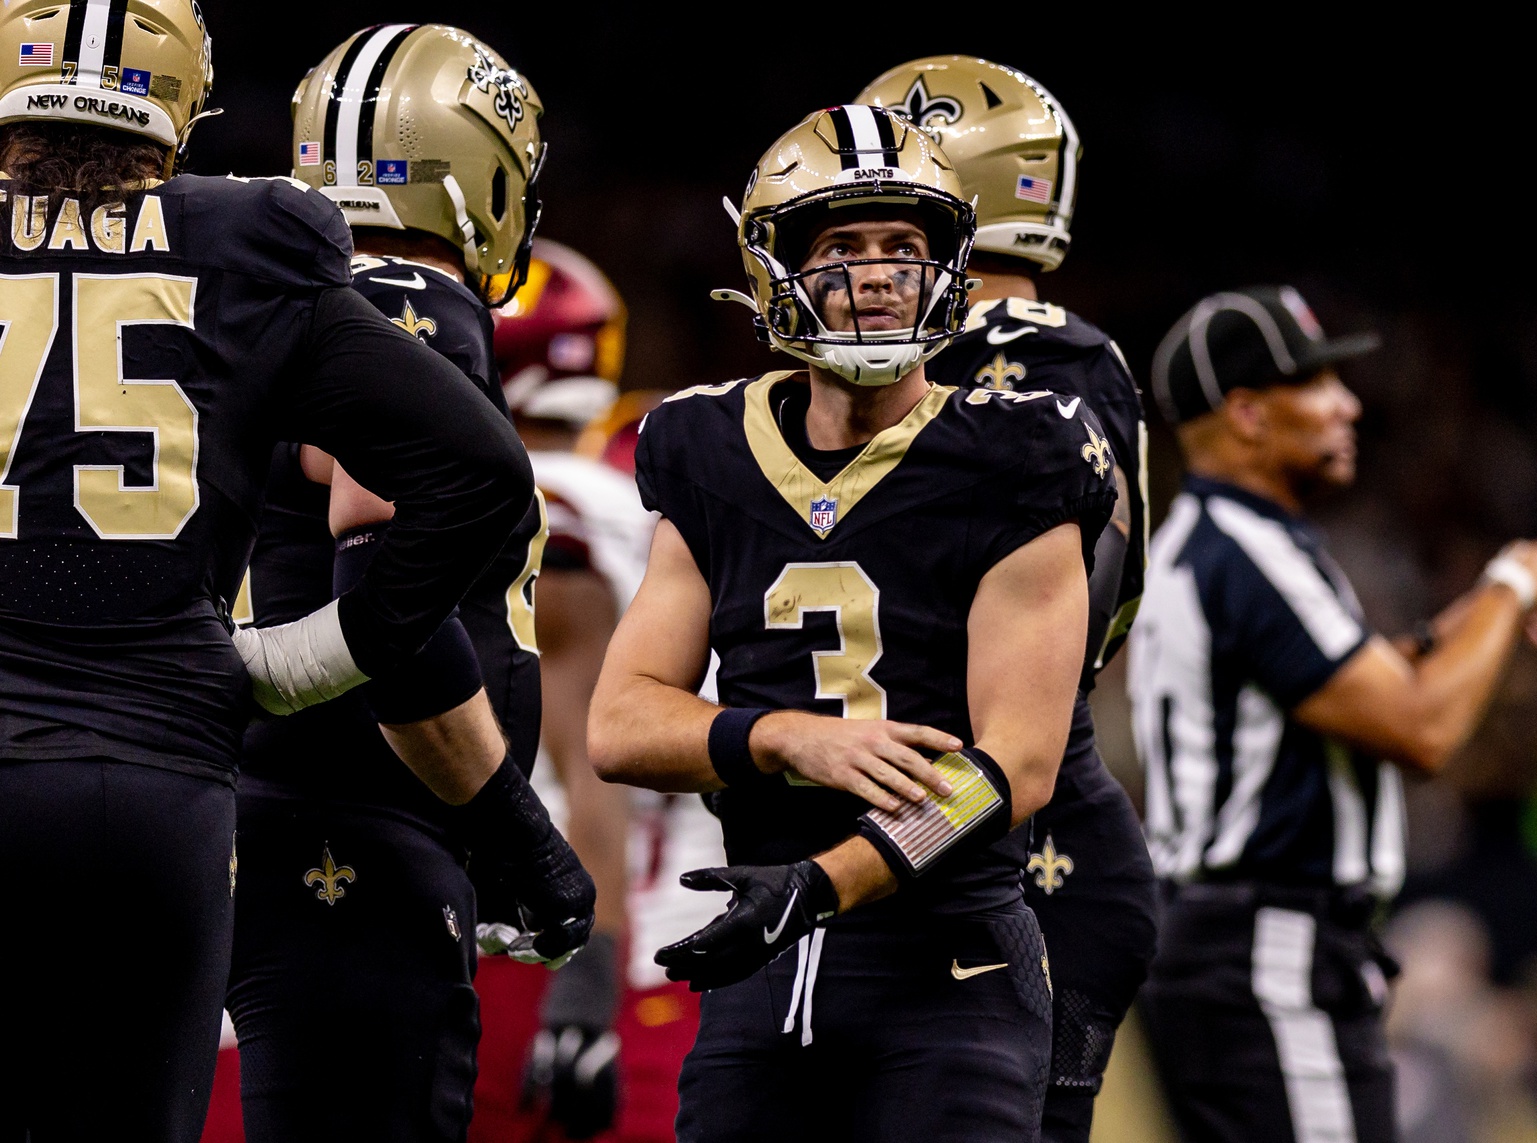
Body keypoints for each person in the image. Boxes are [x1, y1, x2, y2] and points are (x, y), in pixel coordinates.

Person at [0, 4, 544, 1139]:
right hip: (157, 782)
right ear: (181, 109)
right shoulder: (250, 242)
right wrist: (305, 661)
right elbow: (478, 472)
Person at [588, 104, 1117, 1143]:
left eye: (903, 249)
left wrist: (821, 885)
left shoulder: (1016, 453)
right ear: (771, 266)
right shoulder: (707, 446)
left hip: (943, 965)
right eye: (840, 248)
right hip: (761, 953)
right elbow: (619, 725)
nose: (876, 276)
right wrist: (788, 736)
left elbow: (1010, 768)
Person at [224, 25, 592, 1143]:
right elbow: (389, 578)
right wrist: (512, 826)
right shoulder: (406, 304)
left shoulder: (274, 293)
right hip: (356, 825)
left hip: (273, 813)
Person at [1129, 285, 1537, 1143]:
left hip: (1236, 944)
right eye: (1313, 385)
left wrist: (1482, 613)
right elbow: (1418, 728)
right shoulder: (1244, 551)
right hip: (1265, 944)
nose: (1347, 403)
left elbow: (1371, 677)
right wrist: (1511, 588)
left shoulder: (1215, 543)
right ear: (1244, 413)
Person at [859, 56, 1158, 1143]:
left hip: (1021, 841)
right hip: (993, 824)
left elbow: (1071, 614)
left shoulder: (1025, 358)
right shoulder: (1057, 355)